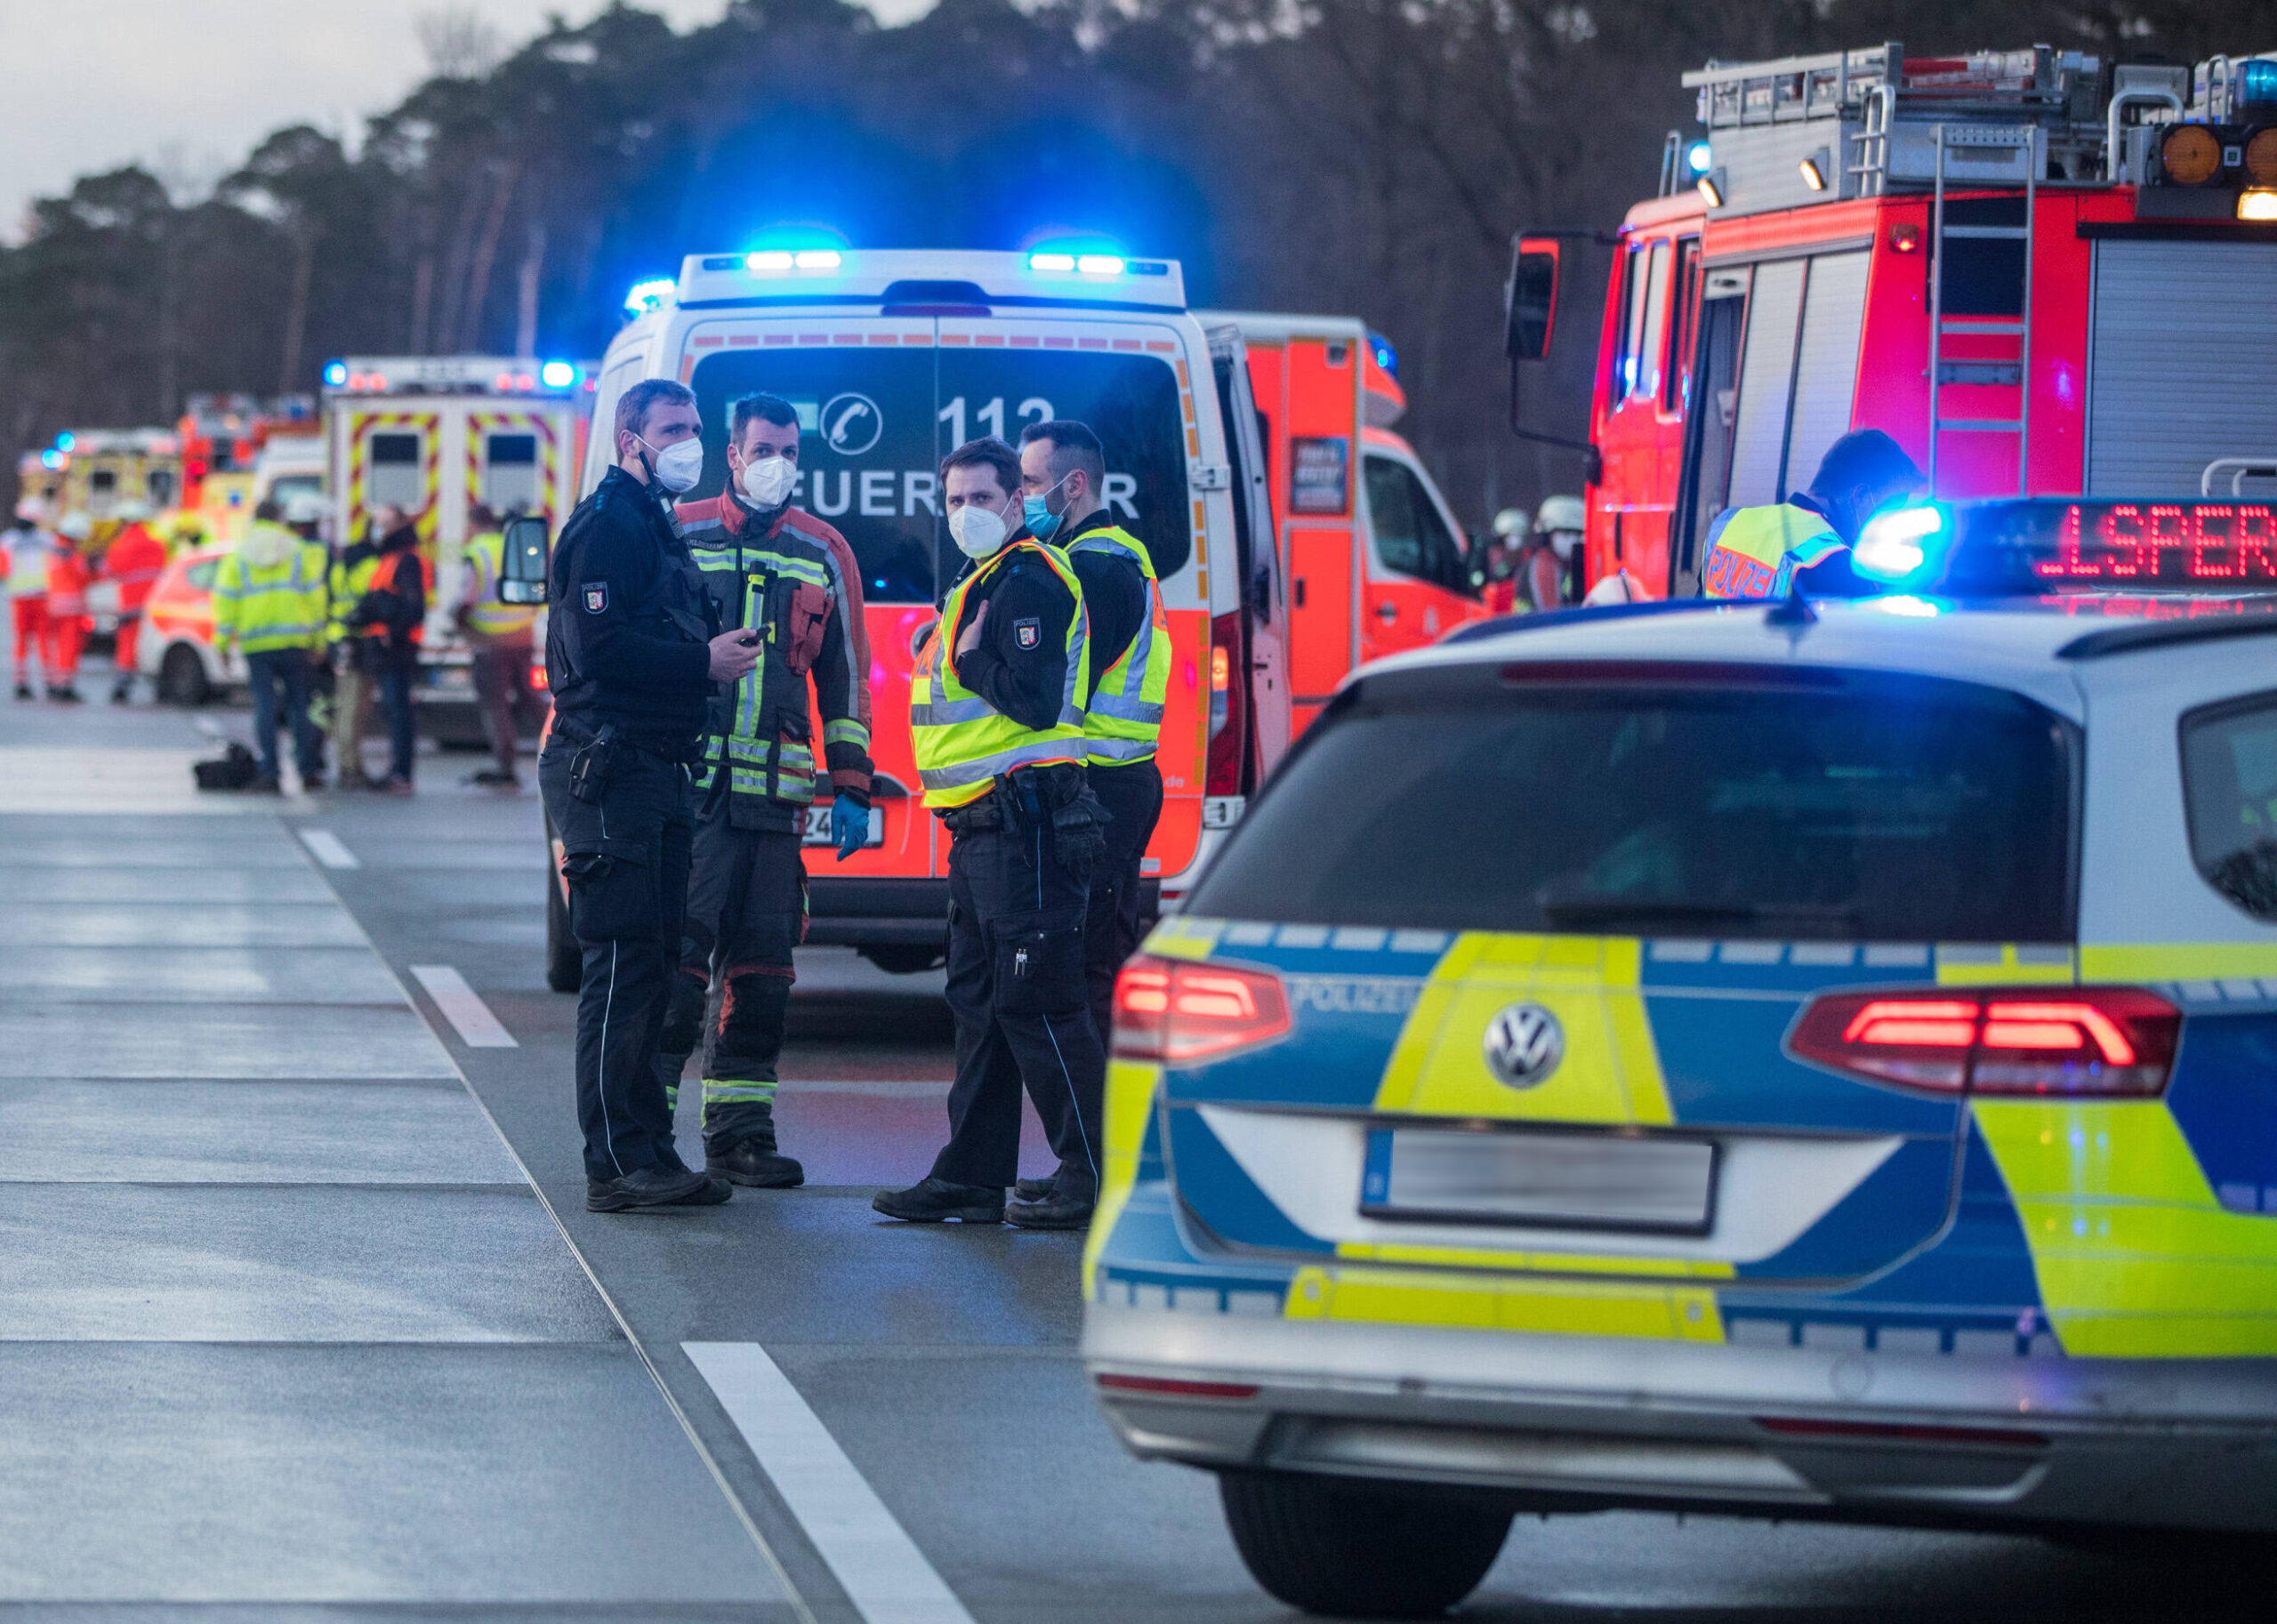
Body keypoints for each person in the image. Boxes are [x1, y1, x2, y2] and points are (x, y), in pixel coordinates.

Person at [539, 376, 761, 1214]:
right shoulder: (607, 527)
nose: (689, 442)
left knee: (659, 968)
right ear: (630, 438)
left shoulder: (654, 525)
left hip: (658, 767)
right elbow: (600, 649)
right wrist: (701, 663)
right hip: (609, 766)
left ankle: (650, 1149)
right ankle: (616, 1166)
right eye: (674, 428)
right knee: (623, 966)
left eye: (696, 427)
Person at [874, 437, 1107, 1230]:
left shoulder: (1030, 579)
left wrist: (970, 663)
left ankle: (1092, 1172)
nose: (966, 513)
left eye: (981, 498)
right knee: (980, 1003)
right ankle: (971, 1176)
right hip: (980, 829)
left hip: (1025, 825)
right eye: (954, 501)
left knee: (1039, 1002)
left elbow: (1035, 701)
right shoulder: (982, 584)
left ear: (1017, 500)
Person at [653, 393, 876, 1188]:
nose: (778, 461)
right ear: (734, 456)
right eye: (764, 448)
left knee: (763, 978)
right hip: (691, 798)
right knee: (675, 971)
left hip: (776, 810)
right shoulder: (681, 530)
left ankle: (740, 1136)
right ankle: (646, 1138)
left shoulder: (824, 550)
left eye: (790, 449)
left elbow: (848, 678)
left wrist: (851, 781)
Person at [1008, 419, 1167, 1225]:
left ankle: (1096, 1169)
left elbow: (1047, 675)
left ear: (1073, 486)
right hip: (1105, 789)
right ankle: (1090, 1165)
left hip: (1100, 794)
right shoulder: (1087, 558)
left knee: (1089, 980)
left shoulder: (1098, 566)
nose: (1018, 497)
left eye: (1029, 483)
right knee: (1085, 972)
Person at [1701, 429, 1925, 599]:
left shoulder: (1730, 524)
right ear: (1862, 496)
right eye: (1894, 506)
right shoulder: (1835, 561)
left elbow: (1696, 614)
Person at [213, 497, 330, 792]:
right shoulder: (298, 552)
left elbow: (226, 601)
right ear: (280, 519)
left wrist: (223, 643)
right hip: (294, 640)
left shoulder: (239, 555)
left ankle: (271, 772)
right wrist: (319, 640)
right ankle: (308, 770)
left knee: (265, 706)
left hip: (256, 642)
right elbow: (315, 598)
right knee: (298, 706)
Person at [455, 502, 541, 788]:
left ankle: (506, 766)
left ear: (473, 523)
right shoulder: (510, 542)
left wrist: (457, 622)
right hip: (523, 636)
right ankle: (564, 745)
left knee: (495, 704)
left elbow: (467, 598)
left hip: (491, 641)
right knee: (530, 699)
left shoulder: (477, 551)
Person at [346, 506, 429, 793]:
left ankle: (401, 775)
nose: (376, 527)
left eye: (383, 522)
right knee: (394, 712)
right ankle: (397, 772)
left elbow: (413, 607)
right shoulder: (390, 558)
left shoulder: (405, 560)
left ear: (397, 526)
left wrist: (391, 634)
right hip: (386, 649)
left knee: (399, 712)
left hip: (396, 649)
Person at [327, 513, 385, 789]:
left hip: (339, 640)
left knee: (345, 706)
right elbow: (374, 603)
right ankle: (350, 766)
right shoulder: (374, 564)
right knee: (355, 708)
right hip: (360, 641)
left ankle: (348, 762)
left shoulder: (342, 563)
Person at [103, 500, 169, 703]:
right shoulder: (157, 544)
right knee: (153, 645)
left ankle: (122, 688)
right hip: (152, 606)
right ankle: (161, 689)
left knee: (127, 648)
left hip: (129, 606)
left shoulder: (121, 545)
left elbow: (110, 571)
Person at [43, 513, 93, 703]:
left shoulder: (54, 550)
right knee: (69, 647)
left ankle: (54, 683)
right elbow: (82, 577)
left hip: (53, 606)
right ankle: (65, 686)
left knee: (55, 646)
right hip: (71, 609)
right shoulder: (72, 554)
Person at [3, 502, 50, 700]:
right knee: (44, 641)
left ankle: (21, 682)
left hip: (22, 596)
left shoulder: (8, 540)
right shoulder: (46, 540)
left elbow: (3, 568)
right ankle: (50, 681)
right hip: (40, 596)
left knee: (23, 641)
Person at [1522, 494, 1587, 610]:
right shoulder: (1544, 566)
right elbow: (1553, 614)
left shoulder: (1568, 565)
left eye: (1576, 533)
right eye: (1565, 533)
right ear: (1547, 535)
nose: (1571, 539)